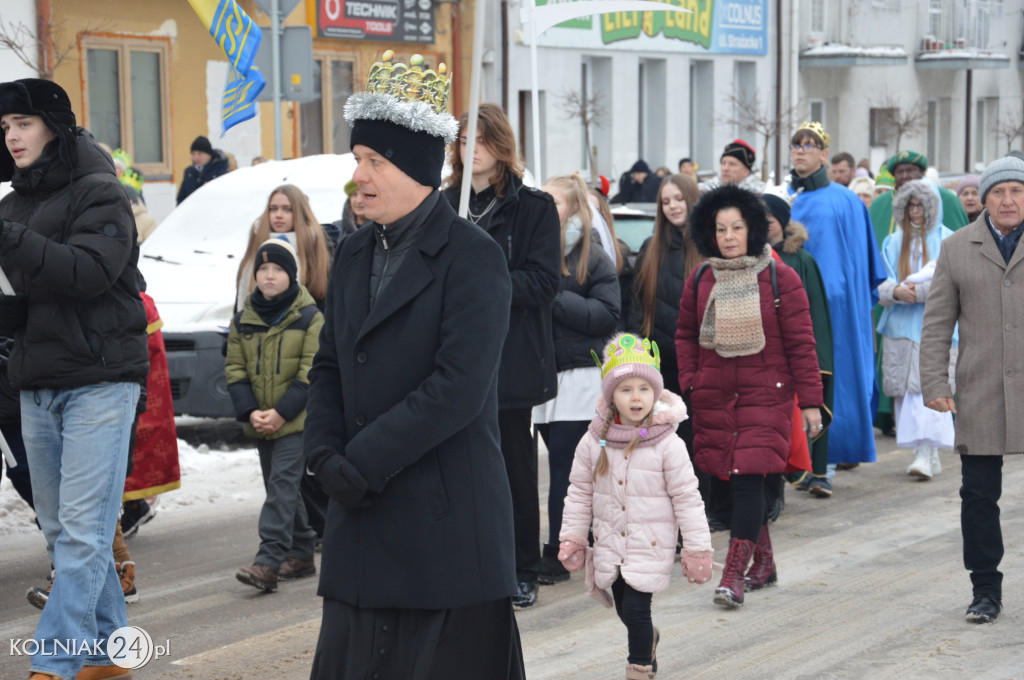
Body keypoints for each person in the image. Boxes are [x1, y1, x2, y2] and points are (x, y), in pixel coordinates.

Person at [304, 55, 525, 677]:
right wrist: (322, 453)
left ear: (417, 169)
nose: (359, 176)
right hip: (362, 523)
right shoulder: (352, 254)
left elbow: (458, 387)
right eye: (357, 159)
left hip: (442, 526)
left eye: (375, 160)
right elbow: (329, 366)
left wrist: (360, 463)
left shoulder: (473, 256)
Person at [0, 78, 149, 680]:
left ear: (55, 128)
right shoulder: (12, 206)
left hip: (100, 380)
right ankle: (108, 656)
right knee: (64, 532)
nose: (12, 137)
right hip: (37, 382)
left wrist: (10, 241)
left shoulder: (100, 191)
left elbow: (88, 274)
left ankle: (54, 664)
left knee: (85, 534)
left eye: (23, 124)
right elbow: (17, 306)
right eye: (5, 127)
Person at [677, 185, 823, 609]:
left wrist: (811, 401)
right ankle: (766, 564)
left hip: (767, 395)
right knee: (739, 478)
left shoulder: (780, 276)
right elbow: (685, 335)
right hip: (716, 395)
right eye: (720, 228)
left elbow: (801, 343)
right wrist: (692, 381)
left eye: (737, 227)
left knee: (746, 477)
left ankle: (733, 575)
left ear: (753, 229)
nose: (728, 236)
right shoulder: (701, 278)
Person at [443, 102, 560, 610]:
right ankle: (470, 563)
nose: (471, 148)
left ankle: (521, 567)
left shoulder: (533, 207)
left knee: (513, 469)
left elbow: (544, 283)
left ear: (501, 144)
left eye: (481, 139)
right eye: (463, 139)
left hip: (511, 357)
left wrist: (483, 284)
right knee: (457, 467)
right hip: (455, 355)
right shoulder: (444, 203)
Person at [559, 332, 713, 680]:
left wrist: (697, 547)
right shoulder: (594, 441)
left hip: (650, 543)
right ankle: (649, 640)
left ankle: (640, 669)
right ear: (611, 396)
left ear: (655, 393)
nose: (636, 397)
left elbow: (688, 498)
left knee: (636, 611)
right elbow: (579, 493)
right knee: (625, 609)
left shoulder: (668, 444)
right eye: (626, 389)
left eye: (644, 388)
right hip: (611, 542)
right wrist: (573, 537)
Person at [920, 155, 1024, 624]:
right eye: (998, 192)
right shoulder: (957, 248)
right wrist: (935, 382)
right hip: (980, 390)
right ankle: (985, 589)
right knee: (979, 496)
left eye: (1017, 190)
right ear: (983, 200)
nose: (1008, 200)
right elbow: (937, 323)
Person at [532, 174, 620, 586]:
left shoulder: (593, 255)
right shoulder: (534, 251)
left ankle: (558, 551)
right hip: (543, 377)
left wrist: (552, 296)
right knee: (571, 468)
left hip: (581, 377)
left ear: (573, 209)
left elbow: (606, 315)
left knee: (567, 468)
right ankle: (586, 539)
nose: (545, 208)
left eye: (554, 202)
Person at [787, 121, 885, 482]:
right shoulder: (782, 198)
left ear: (824, 154)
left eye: (809, 145)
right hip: (789, 304)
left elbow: (863, 261)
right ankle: (795, 459)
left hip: (837, 309)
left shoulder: (845, 200)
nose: (801, 151)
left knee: (835, 378)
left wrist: (848, 298)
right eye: (796, 144)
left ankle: (827, 461)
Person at [227, 238, 321, 591]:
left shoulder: (309, 318)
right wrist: (251, 411)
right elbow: (235, 370)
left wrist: (282, 413)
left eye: (278, 269)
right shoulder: (243, 321)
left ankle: (267, 561)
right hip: (262, 421)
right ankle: (301, 552)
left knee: (281, 486)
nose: (269, 275)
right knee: (282, 487)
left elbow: (311, 372)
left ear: (292, 275)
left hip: (296, 420)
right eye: (263, 269)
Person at [628, 174, 705, 497]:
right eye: (666, 201)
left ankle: (699, 514)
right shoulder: (651, 248)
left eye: (679, 199)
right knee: (661, 450)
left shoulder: (708, 247)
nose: (673, 206)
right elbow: (636, 307)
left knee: (697, 448)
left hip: (699, 367)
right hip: (659, 368)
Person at [878, 180, 956, 481]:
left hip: (935, 326)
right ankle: (922, 452)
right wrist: (895, 291)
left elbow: (952, 280)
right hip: (900, 326)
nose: (915, 211)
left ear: (931, 207)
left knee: (930, 389)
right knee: (906, 393)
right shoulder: (893, 241)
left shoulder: (948, 239)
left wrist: (919, 292)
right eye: (910, 205)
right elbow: (880, 279)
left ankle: (928, 451)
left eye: (921, 205)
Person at [763, 192, 834, 498]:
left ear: (781, 221)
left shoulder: (801, 260)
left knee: (808, 411)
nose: (765, 225)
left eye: (770, 219)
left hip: (797, 349)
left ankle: (817, 474)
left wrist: (819, 357)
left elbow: (814, 310)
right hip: (769, 356)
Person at [235, 184, 331, 313]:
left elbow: (323, 300)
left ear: (300, 213)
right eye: (273, 209)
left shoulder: (314, 249)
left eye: (287, 210)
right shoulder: (256, 244)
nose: (278, 215)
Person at [870, 150, 969, 250]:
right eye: (900, 172)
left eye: (910, 170)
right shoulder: (879, 205)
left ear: (922, 173)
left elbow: (960, 244)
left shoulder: (947, 200)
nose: (905, 176)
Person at [175, 135, 229, 204]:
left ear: (209, 154)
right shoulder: (189, 172)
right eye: (193, 154)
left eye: (199, 154)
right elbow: (181, 200)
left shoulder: (220, 171)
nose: (195, 158)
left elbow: (223, 199)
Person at [699, 139, 766, 194]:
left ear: (746, 172)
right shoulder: (710, 187)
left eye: (732, 164)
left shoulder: (760, 192)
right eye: (723, 163)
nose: (725, 168)